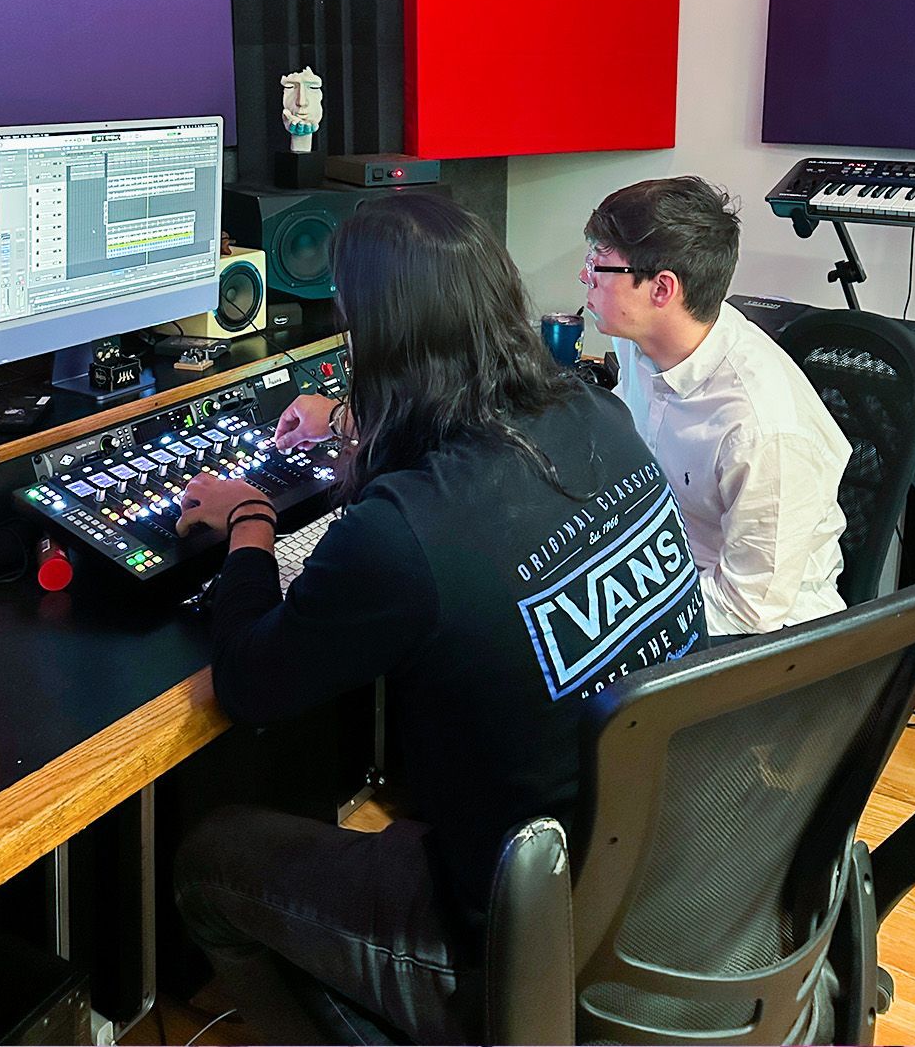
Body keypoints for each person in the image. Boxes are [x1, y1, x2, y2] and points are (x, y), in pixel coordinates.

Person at [173, 193, 706, 1045]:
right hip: (673, 866)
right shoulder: (592, 410)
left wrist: (250, 522)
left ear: (370, 341)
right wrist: (351, 425)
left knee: (211, 863)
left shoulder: (399, 535)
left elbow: (251, 684)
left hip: (522, 929)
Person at [580, 175, 851, 641]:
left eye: (600, 264)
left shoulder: (762, 430)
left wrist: (613, 622)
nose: (584, 276)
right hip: (666, 563)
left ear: (662, 290)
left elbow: (750, 607)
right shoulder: (645, 341)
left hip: (756, 635)